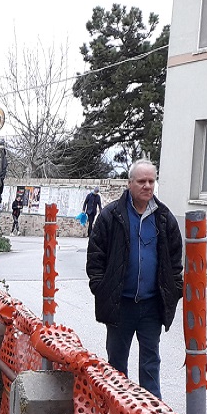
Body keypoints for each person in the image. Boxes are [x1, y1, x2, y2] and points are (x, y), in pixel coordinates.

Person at [86, 161, 183, 398]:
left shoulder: (164, 218)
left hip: (151, 306)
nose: (147, 186)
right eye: (141, 181)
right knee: (116, 366)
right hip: (121, 305)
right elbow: (95, 257)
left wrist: (174, 290)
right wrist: (102, 288)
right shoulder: (111, 216)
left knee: (151, 364)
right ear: (129, 184)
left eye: (151, 181)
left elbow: (174, 260)